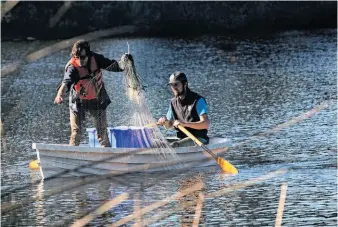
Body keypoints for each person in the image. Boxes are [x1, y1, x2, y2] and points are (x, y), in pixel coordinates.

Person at [54, 40, 131, 147]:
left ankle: (107, 155)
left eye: (83, 57)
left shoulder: (96, 59)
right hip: (78, 101)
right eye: (78, 57)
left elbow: (114, 66)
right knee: (76, 132)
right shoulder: (72, 67)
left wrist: (124, 63)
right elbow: (65, 82)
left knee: (102, 133)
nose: (80, 60)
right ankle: (72, 154)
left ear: (89, 55)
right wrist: (59, 95)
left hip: (98, 98)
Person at [157, 71, 209, 147]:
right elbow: (169, 125)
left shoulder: (198, 100)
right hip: (181, 138)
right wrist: (164, 122)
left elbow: (205, 124)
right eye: (171, 85)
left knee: (174, 145)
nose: (174, 88)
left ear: (185, 84)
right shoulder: (173, 102)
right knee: (157, 142)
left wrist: (184, 124)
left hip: (198, 138)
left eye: (176, 84)